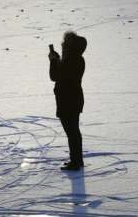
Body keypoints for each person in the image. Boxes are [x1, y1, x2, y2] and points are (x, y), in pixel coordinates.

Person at [49, 31, 87, 171]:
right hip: (74, 99)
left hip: (67, 101)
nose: (63, 44)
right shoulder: (77, 59)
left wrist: (53, 60)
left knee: (72, 132)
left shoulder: (70, 60)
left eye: (65, 43)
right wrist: (58, 60)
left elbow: (55, 76)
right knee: (74, 132)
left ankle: (75, 162)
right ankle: (77, 160)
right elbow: (63, 75)